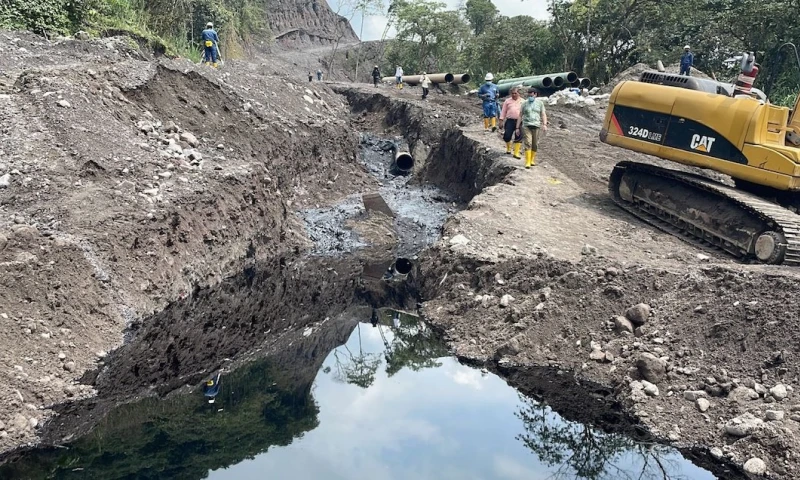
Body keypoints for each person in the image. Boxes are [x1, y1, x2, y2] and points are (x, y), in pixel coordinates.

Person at [516, 86, 548, 168]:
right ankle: (527, 161)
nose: (530, 97)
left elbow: (543, 114)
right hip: (526, 125)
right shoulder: (524, 103)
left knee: (535, 144)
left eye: (532, 95)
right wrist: (517, 127)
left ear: (535, 95)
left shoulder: (540, 103)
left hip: (536, 125)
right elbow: (520, 115)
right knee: (528, 142)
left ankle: (532, 159)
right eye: (529, 95)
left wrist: (544, 124)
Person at [499, 86, 524, 158]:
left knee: (518, 137)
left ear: (519, 93)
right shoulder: (507, 101)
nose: (514, 95)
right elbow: (503, 111)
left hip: (520, 121)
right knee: (507, 136)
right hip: (510, 120)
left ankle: (516, 153)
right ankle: (508, 148)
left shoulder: (523, 102)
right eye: (512, 93)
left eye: (515, 93)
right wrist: (501, 120)